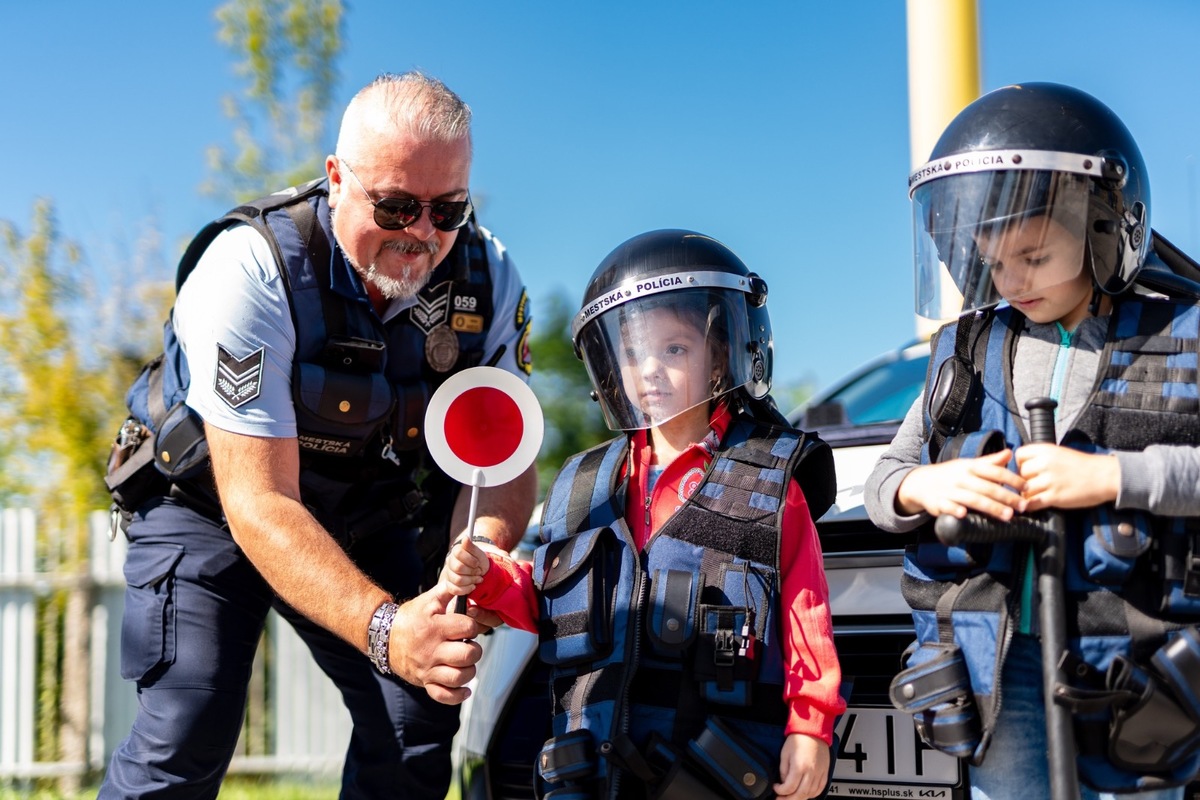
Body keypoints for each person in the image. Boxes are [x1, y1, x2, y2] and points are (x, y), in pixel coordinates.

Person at [98, 71, 537, 800]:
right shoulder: (249, 270)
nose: (422, 234)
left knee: (417, 718)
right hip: (215, 502)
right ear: (337, 179)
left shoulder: (489, 280)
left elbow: (506, 460)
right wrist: (385, 630)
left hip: (370, 508)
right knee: (188, 723)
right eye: (395, 206)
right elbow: (261, 504)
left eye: (448, 208)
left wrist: (477, 555)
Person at [864, 82, 1200, 800]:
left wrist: (1109, 479)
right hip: (995, 661)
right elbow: (886, 477)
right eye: (994, 261)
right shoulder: (964, 347)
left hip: (1134, 666)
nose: (1013, 280)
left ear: (1108, 230)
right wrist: (923, 484)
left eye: (1035, 256)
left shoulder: (1182, 334)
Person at [440, 229, 845, 800]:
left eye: (674, 349)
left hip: (715, 773)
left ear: (722, 354)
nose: (649, 369)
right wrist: (488, 574)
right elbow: (548, 602)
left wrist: (811, 726)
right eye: (632, 352)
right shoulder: (583, 484)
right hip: (592, 773)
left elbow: (806, 614)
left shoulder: (770, 479)